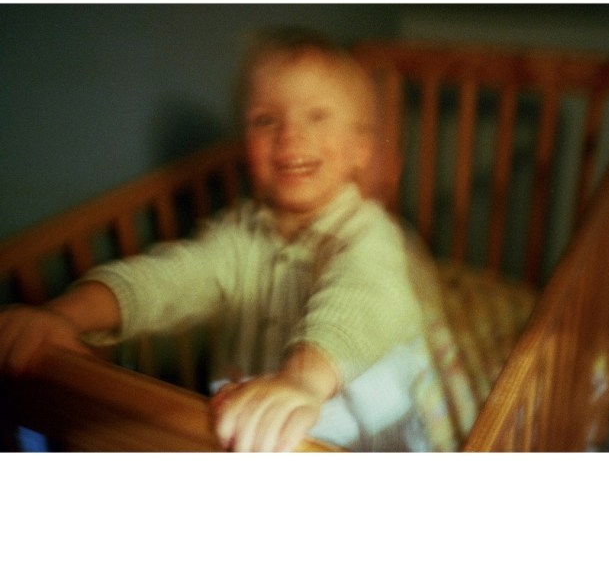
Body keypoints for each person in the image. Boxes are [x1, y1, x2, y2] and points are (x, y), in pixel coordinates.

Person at [0, 29, 439, 452]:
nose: (290, 135)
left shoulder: (369, 235)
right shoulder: (239, 235)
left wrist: (301, 381)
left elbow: (360, 299)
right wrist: (63, 315)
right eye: (266, 120)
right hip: (251, 425)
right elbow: (168, 278)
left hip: (360, 438)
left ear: (361, 148)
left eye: (318, 116)